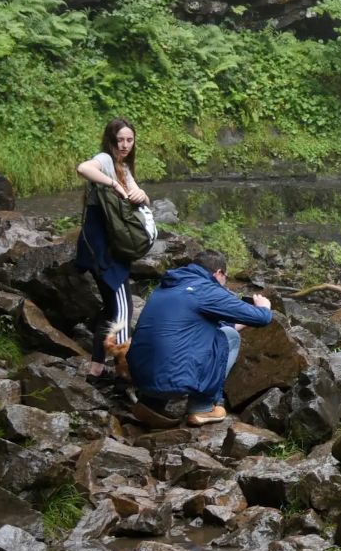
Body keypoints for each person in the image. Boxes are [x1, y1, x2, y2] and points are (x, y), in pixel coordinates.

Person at [126, 248, 272, 427]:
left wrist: (240, 322)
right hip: (172, 378)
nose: (224, 285)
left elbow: (198, 325)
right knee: (230, 337)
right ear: (219, 273)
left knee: (194, 336)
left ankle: (151, 403)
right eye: (225, 279)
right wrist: (264, 306)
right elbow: (262, 318)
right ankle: (202, 406)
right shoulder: (206, 289)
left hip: (139, 375)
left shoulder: (167, 285)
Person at [75, 117, 149, 384]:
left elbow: (138, 197)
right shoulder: (106, 161)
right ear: (111, 140)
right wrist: (113, 184)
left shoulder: (124, 167)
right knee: (123, 310)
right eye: (120, 140)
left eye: (130, 140)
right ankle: (123, 369)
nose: (125, 145)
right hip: (102, 251)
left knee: (109, 309)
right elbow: (83, 168)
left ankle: (96, 368)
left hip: (109, 249)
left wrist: (142, 195)